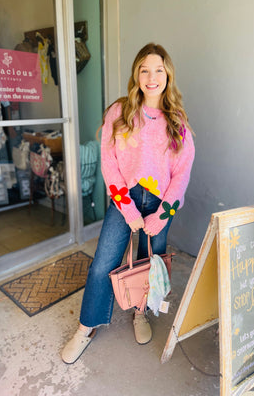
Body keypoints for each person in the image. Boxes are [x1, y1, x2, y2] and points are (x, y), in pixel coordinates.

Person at [61, 43, 195, 364]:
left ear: (167, 75)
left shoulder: (176, 121)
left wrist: (160, 218)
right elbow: (110, 164)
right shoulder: (119, 113)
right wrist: (130, 210)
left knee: (150, 263)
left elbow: (181, 175)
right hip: (126, 200)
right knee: (103, 263)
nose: (152, 77)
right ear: (136, 74)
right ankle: (86, 327)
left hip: (161, 204)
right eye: (144, 70)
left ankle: (140, 313)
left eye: (158, 70)